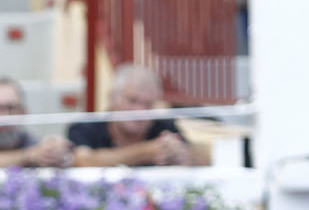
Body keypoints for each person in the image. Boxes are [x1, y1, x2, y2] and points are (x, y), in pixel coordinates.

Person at [67, 63, 205, 168]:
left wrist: (181, 154)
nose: (140, 111)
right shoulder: (86, 127)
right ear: (113, 98)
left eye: (148, 104)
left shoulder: (163, 127)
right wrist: (145, 152)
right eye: (132, 101)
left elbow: (202, 157)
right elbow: (83, 161)